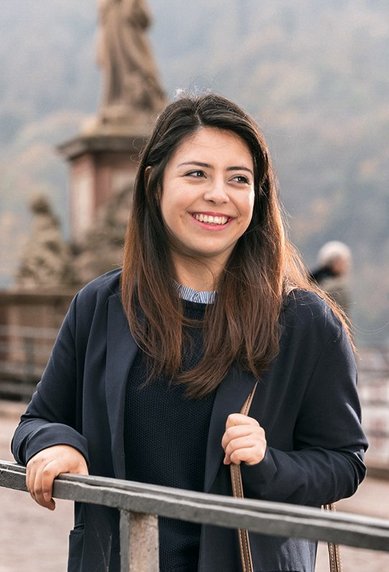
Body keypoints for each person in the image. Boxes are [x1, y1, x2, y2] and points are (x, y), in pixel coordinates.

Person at [12, 93, 368, 572]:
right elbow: (37, 420)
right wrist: (55, 443)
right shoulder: (102, 306)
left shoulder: (305, 322)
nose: (218, 194)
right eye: (196, 173)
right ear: (155, 184)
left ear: (257, 198)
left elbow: (344, 463)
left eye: (238, 179)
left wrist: (268, 464)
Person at [97, 0, 165, 124]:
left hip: (130, 38)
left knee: (138, 67)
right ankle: (119, 101)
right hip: (113, 37)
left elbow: (145, 18)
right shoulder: (108, 6)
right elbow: (102, 17)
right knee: (116, 73)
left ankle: (143, 100)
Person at [310, 240, 352, 315]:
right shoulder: (337, 288)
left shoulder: (313, 282)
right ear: (335, 263)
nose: (347, 265)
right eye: (344, 262)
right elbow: (341, 317)